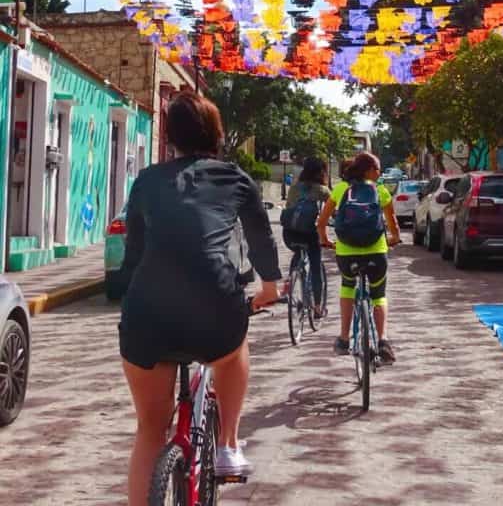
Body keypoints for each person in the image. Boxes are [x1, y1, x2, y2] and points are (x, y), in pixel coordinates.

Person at [119, 91, 281, 505]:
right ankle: (227, 443)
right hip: (213, 310)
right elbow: (260, 238)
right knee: (235, 344)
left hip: (146, 315)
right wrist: (269, 287)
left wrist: (131, 295)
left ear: (169, 136)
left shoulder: (146, 180)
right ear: (216, 133)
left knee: (149, 430)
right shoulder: (236, 178)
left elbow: (133, 253)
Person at [317, 151, 401, 364]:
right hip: (376, 252)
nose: (379, 173)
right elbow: (393, 224)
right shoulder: (381, 191)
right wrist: (394, 238)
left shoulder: (340, 189)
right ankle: (383, 341)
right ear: (369, 171)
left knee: (347, 285)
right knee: (379, 294)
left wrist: (325, 240)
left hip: (347, 253)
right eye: (377, 169)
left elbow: (322, 221)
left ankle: (344, 338)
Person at [282, 156, 331, 315]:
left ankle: (291, 280)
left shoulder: (294, 187)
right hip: (309, 234)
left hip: (289, 233)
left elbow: (289, 207)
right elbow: (334, 211)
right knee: (315, 266)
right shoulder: (322, 190)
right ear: (321, 172)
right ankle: (317, 308)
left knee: (298, 253)